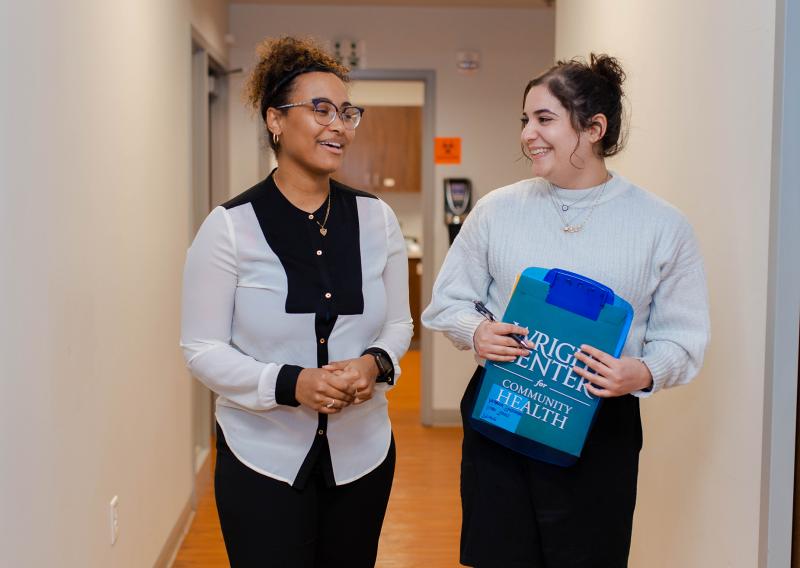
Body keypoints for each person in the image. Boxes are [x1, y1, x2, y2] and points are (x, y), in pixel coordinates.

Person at [422, 54, 710, 568]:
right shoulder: (497, 210)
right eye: (525, 120)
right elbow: (448, 303)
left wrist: (640, 371)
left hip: (599, 426)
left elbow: (682, 339)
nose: (528, 133)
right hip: (504, 412)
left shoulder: (660, 226)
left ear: (595, 128)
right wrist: (477, 332)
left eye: (545, 119)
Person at [180, 36, 412, 567]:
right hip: (261, 459)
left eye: (347, 112)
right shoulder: (229, 228)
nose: (339, 125)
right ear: (275, 121)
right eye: (321, 109)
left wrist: (373, 364)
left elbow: (399, 325)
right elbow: (201, 349)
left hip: (363, 456)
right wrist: (292, 383)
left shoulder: (377, 219)